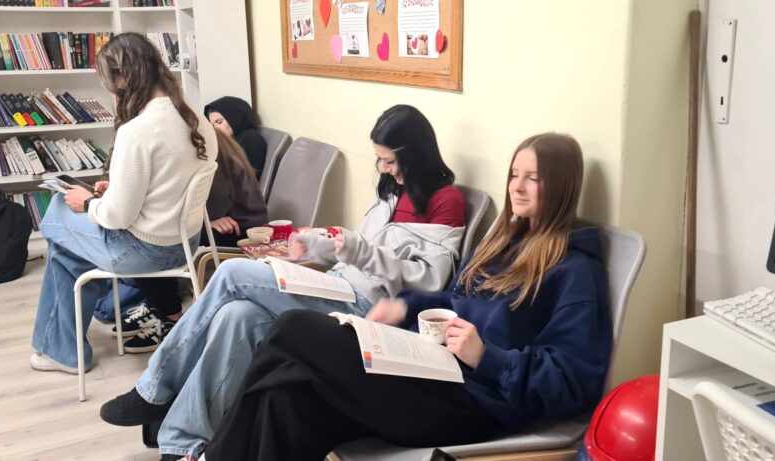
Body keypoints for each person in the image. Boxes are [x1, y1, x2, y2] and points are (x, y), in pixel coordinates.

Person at [203, 133, 612, 460]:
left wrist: (487, 357)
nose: (517, 187)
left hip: (476, 403)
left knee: (293, 328)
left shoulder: (575, 271)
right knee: (287, 396)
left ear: (559, 185)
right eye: (514, 174)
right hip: (432, 370)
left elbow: (574, 382)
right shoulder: (502, 243)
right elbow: (453, 300)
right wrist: (406, 307)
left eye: (532, 178)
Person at [100, 105, 467, 460]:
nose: (384, 169)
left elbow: (430, 280)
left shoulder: (445, 201)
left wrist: (359, 251)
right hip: (337, 284)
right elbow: (358, 251)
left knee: (230, 273)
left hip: (368, 309)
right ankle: (182, 443)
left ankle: (154, 387)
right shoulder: (391, 190)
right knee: (236, 315)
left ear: (415, 154)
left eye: (390, 161)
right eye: (380, 161)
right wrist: (318, 245)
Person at [28, 33, 218, 374]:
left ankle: (64, 350)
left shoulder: (138, 130)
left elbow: (117, 216)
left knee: (58, 210)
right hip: (186, 244)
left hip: (143, 251)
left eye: (108, 82)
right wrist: (114, 189)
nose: (108, 91)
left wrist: (89, 202)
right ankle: (64, 344)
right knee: (69, 251)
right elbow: (165, 185)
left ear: (122, 78)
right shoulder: (196, 118)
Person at [114, 129, 269, 353]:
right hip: (227, 222)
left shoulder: (205, 151)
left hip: (240, 230)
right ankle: (157, 304)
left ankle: (170, 316)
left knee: (150, 243)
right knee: (153, 236)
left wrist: (211, 219)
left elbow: (213, 199)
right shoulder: (205, 140)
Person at [205, 96, 267, 180]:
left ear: (234, 119)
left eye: (219, 122)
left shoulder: (251, 139)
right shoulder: (229, 142)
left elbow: (246, 179)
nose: (214, 129)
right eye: (212, 125)